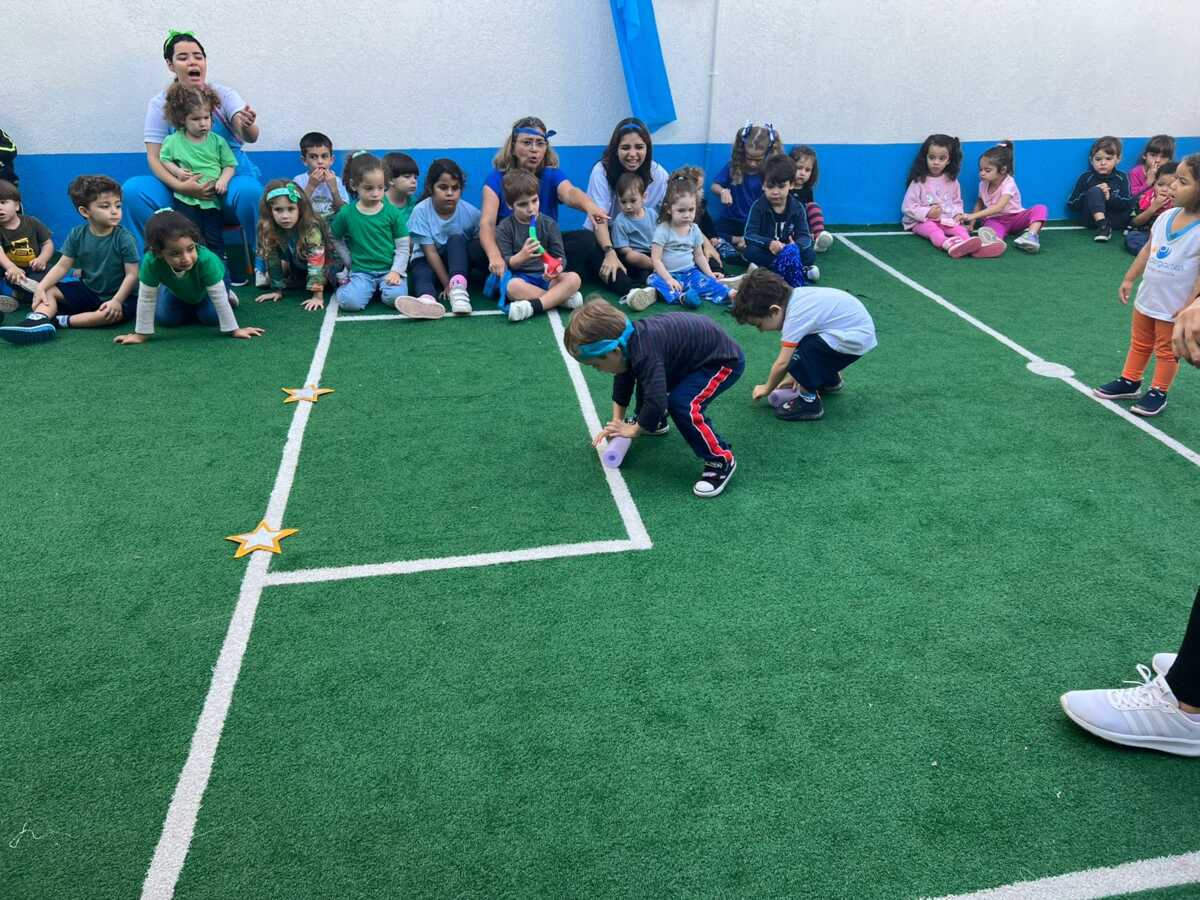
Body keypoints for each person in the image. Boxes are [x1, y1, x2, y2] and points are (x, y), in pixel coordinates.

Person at [566, 298, 745, 499]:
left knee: (682, 404)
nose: (598, 370)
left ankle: (720, 459)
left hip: (721, 361)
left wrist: (635, 429)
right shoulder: (629, 343)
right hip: (687, 360)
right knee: (646, 377)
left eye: (595, 365)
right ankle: (655, 422)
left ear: (614, 351)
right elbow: (623, 379)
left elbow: (657, 401)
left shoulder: (644, 352)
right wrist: (618, 423)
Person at [123, 32, 263, 278]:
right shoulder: (159, 103)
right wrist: (182, 186)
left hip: (225, 187)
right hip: (181, 191)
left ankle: (264, 263)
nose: (192, 62)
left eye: (198, 56)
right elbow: (155, 158)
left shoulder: (224, 95)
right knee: (133, 191)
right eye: (183, 57)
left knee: (251, 191)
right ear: (170, 65)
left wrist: (247, 123)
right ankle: (156, 268)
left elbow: (249, 135)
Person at [1091, 153, 1200, 417]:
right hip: (1148, 297)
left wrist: (1189, 307)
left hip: (1174, 307)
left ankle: (1158, 391)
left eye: (1182, 181)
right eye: (1175, 179)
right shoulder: (1165, 217)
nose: (1172, 186)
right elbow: (1148, 250)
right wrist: (1129, 278)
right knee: (1139, 342)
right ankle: (1130, 380)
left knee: (1166, 351)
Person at [0, 176, 138, 345]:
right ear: (85, 212)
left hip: (121, 296)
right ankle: (37, 320)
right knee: (49, 290)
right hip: (89, 290)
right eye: (105, 206)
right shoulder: (77, 234)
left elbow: (132, 275)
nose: (114, 211)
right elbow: (62, 267)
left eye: (118, 205)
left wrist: (116, 301)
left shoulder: (124, 239)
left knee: (109, 315)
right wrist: (41, 288)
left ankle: (59, 321)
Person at [730, 267, 876, 422]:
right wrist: (795, 377)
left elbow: (782, 363)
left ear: (774, 311)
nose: (761, 330)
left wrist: (767, 388)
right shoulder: (796, 298)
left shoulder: (795, 317)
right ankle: (829, 380)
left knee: (799, 355)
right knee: (805, 348)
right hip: (854, 334)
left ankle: (809, 402)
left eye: (759, 324)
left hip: (853, 337)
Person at [478, 116, 609, 286]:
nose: (534, 149)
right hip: (509, 249)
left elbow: (570, 193)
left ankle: (544, 275)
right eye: (527, 143)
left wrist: (589, 206)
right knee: (475, 249)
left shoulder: (552, 174)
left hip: (543, 248)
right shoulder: (496, 178)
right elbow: (487, 223)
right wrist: (495, 256)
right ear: (513, 146)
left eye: (540, 143)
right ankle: (520, 278)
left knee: (586, 239)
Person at [113, 210, 262, 344]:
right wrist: (140, 335)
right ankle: (190, 303)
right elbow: (146, 298)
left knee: (210, 317)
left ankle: (228, 295)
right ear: (158, 253)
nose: (186, 258)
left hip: (211, 285)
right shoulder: (151, 262)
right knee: (166, 319)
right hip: (178, 287)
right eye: (175, 253)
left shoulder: (207, 260)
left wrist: (235, 330)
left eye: (190, 249)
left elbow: (218, 297)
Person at [330, 152, 433, 318]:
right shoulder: (347, 213)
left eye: (380, 187)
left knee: (395, 298)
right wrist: (348, 261)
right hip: (361, 271)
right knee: (350, 303)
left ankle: (376, 289)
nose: (376, 193)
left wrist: (396, 271)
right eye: (368, 188)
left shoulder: (392, 213)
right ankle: (347, 285)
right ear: (354, 185)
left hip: (388, 271)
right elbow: (335, 236)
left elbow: (403, 245)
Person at [584, 117, 670, 295]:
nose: (632, 154)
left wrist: (704, 243)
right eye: (625, 147)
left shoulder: (657, 173)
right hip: (607, 238)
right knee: (615, 273)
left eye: (639, 147)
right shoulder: (601, 171)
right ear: (615, 150)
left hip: (642, 243)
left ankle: (714, 274)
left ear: (647, 148)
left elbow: (675, 209)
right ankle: (635, 290)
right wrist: (609, 252)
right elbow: (599, 218)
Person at [157, 83, 237, 266]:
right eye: (195, 119)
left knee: (214, 239)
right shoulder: (173, 140)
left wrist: (223, 180)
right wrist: (177, 172)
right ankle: (194, 272)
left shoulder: (217, 141)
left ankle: (219, 274)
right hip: (185, 200)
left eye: (206, 117)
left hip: (211, 200)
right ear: (182, 119)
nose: (203, 123)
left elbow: (229, 165)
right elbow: (164, 159)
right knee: (190, 239)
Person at [494, 170, 583, 322]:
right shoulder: (504, 228)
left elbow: (560, 258)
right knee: (512, 287)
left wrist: (555, 270)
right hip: (522, 279)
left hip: (547, 278)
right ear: (510, 205)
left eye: (534, 200)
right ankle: (560, 300)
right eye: (523, 204)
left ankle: (534, 306)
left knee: (574, 278)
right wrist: (522, 256)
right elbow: (507, 263)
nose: (531, 208)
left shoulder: (549, 224)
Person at [407, 159, 483, 315]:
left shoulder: (472, 213)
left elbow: (478, 247)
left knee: (456, 239)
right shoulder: (420, 211)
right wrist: (446, 283)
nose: (449, 193)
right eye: (443, 187)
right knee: (422, 274)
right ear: (431, 188)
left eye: (455, 188)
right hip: (426, 259)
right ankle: (426, 301)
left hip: (455, 264)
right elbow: (430, 252)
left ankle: (459, 290)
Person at [646, 174, 731, 308]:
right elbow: (656, 260)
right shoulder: (663, 230)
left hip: (690, 273)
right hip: (668, 274)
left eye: (691, 210)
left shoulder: (694, 229)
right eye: (681, 210)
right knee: (653, 279)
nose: (687, 215)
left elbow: (699, 256)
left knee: (708, 282)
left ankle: (731, 294)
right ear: (668, 209)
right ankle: (681, 297)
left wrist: (710, 275)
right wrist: (669, 279)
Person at [902, 134, 990, 258]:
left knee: (960, 229)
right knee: (934, 230)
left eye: (941, 158)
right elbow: (907, 207)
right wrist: (927, 212)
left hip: (946, 219)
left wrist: (958, 214)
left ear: (948, 160)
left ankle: (971, 245)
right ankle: (947, 245)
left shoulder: (952, 181)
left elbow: (957, 201)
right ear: (925, 157)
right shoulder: (919, 181)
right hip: (921, 222)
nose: (936, 162)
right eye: (932, 157)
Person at [253, 180, 331, 312]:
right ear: (269, 211)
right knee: (278, 272)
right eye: (278, 210)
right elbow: (272, 260)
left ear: (300, 209)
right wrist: (277, 289)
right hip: (299, 261)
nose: (285, 216)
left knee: (332, 281)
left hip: (327, 264)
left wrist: (317, 296)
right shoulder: (268, 227)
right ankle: (297, 277)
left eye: (291, 209)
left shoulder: (311, 227)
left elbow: (316, 261)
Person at [959, 141, 1048, 254]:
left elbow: (999, 207)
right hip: (996, 220)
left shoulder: (1009, 183)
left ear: (1003, 170)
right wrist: (971, 223)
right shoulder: (983, 184)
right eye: (980, 169)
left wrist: (971, 216)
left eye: (987, 170)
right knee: (990, 230)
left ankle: (1031, 236)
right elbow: (979, 202)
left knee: (1040, 208)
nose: (982, 173)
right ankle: (992, 243)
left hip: (1016, 218)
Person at [742, 154, 817, 285]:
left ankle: (769, 272)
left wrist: (794, 247)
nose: (775, 192)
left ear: (791, 185)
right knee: (750, 252)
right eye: (770, 186)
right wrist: (769, 243)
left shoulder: (797, 207)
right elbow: (749, 235)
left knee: (810, 254)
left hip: (790, 251)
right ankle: (794, 270)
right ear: (763, 186)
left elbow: (805, 236)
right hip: (768, 250)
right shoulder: (758, 206)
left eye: (781, 186)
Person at [710, 122, 784, 251]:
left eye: (758, 160)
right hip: (732, 219)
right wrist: (723, 191)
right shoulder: (733, 166)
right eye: (749, 158)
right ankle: (740, 240)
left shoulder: (770, 172)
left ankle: (747, 241)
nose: (752, 164)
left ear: (768, 155)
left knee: (771, 235)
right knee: (712, 233)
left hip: (756, 221)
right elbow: (714, 186)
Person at [1066, 136, 1134, 242]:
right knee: (1095, 191)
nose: (1103, 163)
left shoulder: (1122, 177)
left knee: (1132, 208)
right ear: (1091, 160)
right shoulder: (1086, 177)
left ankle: (1106, 227)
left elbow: (1128, 203)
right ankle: (1103, 226)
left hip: (1115, 220)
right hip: (1091, 221)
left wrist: (1109, 197)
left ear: (1118, 159)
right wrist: (1091, 194)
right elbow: (1072, 204)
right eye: (1098, 159)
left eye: (1108, 159)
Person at [0, 178, 52, 311]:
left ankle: (23, 294)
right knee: (11, 277)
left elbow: (47, 243)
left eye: (3, 202)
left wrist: (42, 259)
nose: (0, 207)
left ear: (17, 206)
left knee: (49, 274)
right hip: (8, 270)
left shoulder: (31, 222)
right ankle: (9, 295)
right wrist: (11, 267)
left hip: (32, 268)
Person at [609, 171, 659, 311]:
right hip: (638, 259)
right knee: (632, 257)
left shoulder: (652, 214)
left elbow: (661, 235)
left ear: (644, 197)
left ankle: (657, 282)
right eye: (623, 202)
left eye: (633, 201)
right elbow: (623, 249)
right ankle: (657, 270)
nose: (628, 206)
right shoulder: (620, 221)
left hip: (655, 251)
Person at [294, 131, 348, 222]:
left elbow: (342, 211)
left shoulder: (337, 181)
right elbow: (296, 209)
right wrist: (311, 186)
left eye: (324, 156)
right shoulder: (299, 180)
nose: (320, 161)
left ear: (331, 160)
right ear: (304, 161)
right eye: (313, 157)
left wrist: (334, 190)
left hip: (332, 225)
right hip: (308, 225)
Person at [1125, 161, 1176, 256]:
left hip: (1171, 237)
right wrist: (1153, 208)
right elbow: (1135, 222)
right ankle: (1156, 254)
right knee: (1133, 238)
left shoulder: (1180, 202)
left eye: (1171, 186)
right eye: (1160, 184)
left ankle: (1164, 253)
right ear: (1154, 183)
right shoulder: (1146, 198)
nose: (1164, 189)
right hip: (1148, 234)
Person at [788, 145, 833, 252]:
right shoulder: (785, 187)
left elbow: (809, 213)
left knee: (813, 206)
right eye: (799, 168)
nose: (803, 173)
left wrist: (809, 229)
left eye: (807, 170)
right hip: (788, 225)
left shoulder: (807, 190)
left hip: (802, 225)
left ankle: (819, 237)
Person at [1128, 134, 1175, 205]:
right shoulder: (1135, 172)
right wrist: (1148, 182)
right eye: (1153, 155)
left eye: (1163, 157)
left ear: (1169, 160)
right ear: (1144, 155)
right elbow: (1132, 195)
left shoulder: (1171, 173)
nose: (1157, 160)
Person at [383, 152, 419, 233]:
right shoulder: (378, 204)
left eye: (415, 177)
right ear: (390, 180)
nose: (414, 181)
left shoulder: (415, 204)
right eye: (407, 177)